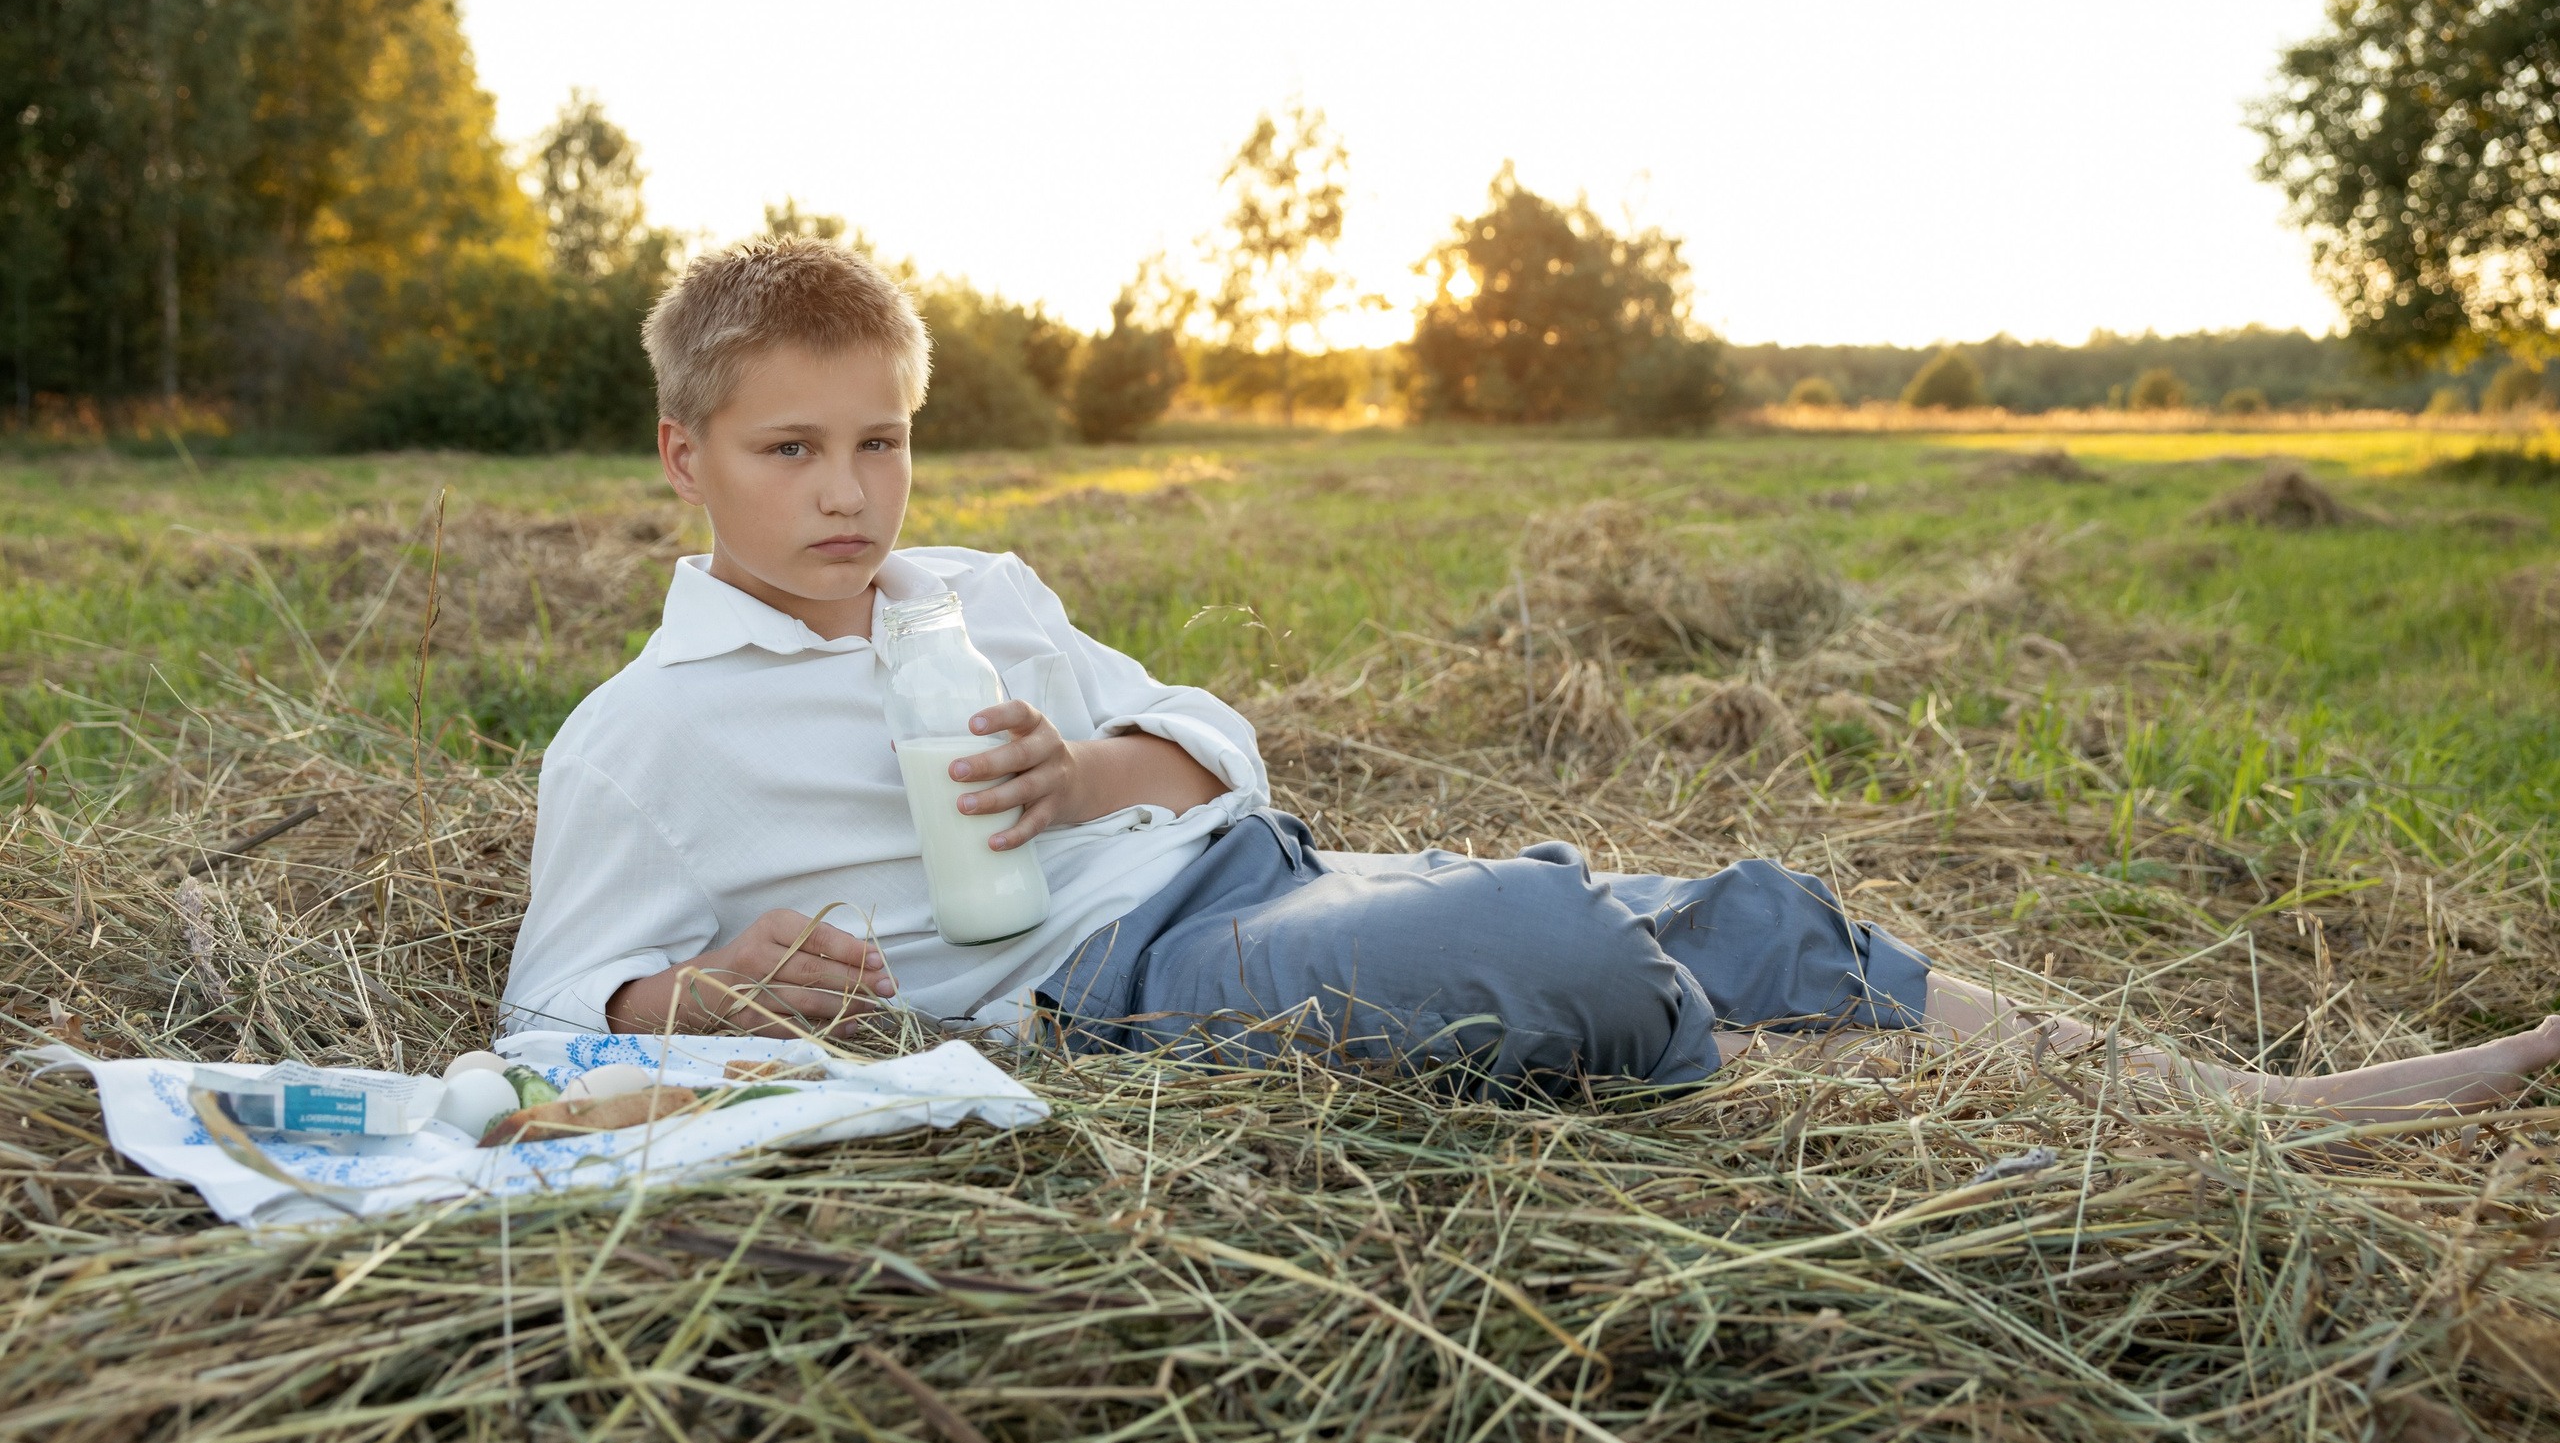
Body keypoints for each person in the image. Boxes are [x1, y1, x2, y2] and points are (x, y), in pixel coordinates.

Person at [504, 238, 2560, 1124]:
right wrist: (702, 991)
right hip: (1111, 988)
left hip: (1247, 868)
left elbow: (1216, 741)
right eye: (792, 451)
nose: (851, 492)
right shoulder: (647, 735)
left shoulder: (983, 590)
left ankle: (2258, 1102)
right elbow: (542, 1011)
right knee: (1549, 928)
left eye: (879, 440)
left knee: (1747, 903)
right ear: (685, 458)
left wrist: (1093, 761)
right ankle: (1831, 1077)